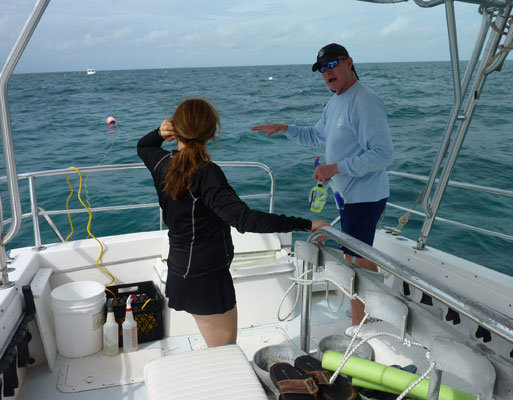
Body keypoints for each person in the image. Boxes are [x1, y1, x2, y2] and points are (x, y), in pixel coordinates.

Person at [138, 97, 328, 347]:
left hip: (180, 269)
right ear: (212, 132)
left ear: (176, 130)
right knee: (223, 351)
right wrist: (305, 224)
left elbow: (144, 146)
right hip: (206, 278)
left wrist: (159, 133)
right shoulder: (206, 173)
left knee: (216, 346)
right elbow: (245, 219)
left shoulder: (162, 163)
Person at [250, 43, 394, 325]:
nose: (327, 72)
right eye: (321, 69)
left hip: (365, 196)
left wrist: (335, 168)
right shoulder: (336, 101)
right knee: (358, 256)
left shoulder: (365, 101)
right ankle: (371, 313)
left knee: (357, 258)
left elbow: (382, 154)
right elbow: (318, 136)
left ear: (349, 62)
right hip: (347, 195)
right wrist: (284, 129)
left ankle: (363, 323)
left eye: (332, 65)